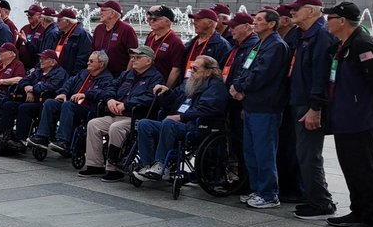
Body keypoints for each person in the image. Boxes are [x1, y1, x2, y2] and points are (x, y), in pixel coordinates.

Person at [322, 1, 373, 227]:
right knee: (351, 167)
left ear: (342, 21)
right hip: (346, 116)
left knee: (363, 169)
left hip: (360, 118)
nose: (326, 22)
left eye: (330, 18)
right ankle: (358, 212)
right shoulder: (345, 44)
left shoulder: (363, 44)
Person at [230, 8, 290, 209]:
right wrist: (237, 85)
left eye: (259, 19)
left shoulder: (276, 46)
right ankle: (257, 189)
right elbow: (246, 68)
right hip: (251, 105)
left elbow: (262, 74)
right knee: (251, 151)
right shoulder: (259, 44)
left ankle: (269, 194)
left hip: (266, 106)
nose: (254, 22)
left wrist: (240, 88)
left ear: (271, 24)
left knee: (264, 151)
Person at [133, 55, 227, 181]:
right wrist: (166, 92)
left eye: (195, 69)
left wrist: (181, 117)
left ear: (208, 72)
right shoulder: (188, 83)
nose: (191, 72)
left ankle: (161, 165)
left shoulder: (215, 87)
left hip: (196, 126)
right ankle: (147, 165)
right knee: (144, 124)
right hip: (176, 123)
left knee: (169, 123)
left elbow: (206, 109)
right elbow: (174, 98)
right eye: (191, 68)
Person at [286, 0, 338, 220]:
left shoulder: (321, 35)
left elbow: (321, 76)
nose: (292, 12)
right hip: (298, 100)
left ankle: (321, 203)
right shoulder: (301, 33)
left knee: (309, 155)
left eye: (296, 9)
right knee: (303, 154)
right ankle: (314, 197)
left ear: (311, 11)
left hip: (309, 104)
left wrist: (315, 107)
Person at [81, 46, 164, 181]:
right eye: (133, 57)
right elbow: (111, 87)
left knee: (116, 128)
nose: (133, 60)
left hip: (135, 117)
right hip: (115, 114)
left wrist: (126, 104)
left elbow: (150, 98)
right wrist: (110, 99)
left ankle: (113, 168)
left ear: (148, 61)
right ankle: (94, 165)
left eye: (138, 57)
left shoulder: (156, 78)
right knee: (93, 124)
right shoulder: (127, 74)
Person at [31, 50, 117, 155]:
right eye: (88, 60)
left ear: (101, 64)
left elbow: (106, 93)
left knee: (68, 105)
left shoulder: (107, 78)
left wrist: (86, 94)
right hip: (72, 103)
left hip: (88, 108)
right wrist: (63, 93)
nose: (88, 63)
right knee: (50, 102)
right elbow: (69, 83)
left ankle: (63, 141)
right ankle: (42, 137)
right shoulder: (84, 73)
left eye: (91, 61)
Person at [0, 48, 68, 156]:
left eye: (44, 59)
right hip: (29, 98)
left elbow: (52, 86)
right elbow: (23, 80)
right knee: (8, 105)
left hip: (44, 102)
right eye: (40, 58)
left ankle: (21, 140)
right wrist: (27, 88)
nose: (41, 61)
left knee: (24, 108)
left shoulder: (60, 73)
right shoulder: (38, 71)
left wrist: (33, 89)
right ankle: (3, 135)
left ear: (52, 62)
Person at [91, 0, 139, 76]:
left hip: (118, 76)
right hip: (99, 75)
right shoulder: (98, 29)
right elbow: (93, 51)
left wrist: (126, 76)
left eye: (103, 10)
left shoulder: (127, 30)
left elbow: (134, 55)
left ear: (112, 14)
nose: (100, 12)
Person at [144, 5, 187, 86]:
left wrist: (166, 88)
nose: (151, 21)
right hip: (146, 81)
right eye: (149, 19)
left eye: (155, 19)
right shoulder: (150, 36)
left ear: (167, 22)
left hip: (160, 84)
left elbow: (176, 70)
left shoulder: (175, 42)